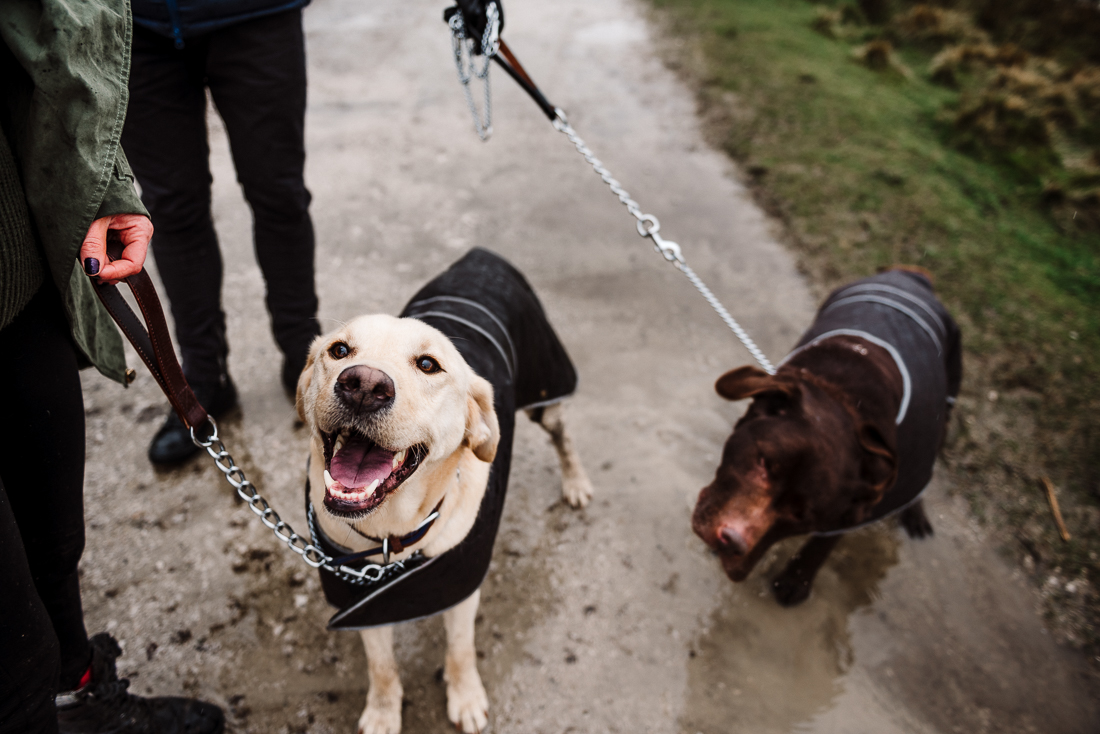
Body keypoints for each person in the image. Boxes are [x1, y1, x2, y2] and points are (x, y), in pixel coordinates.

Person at [0, 1, 224, 732]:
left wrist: (101, 188)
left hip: (13, 271)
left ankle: (81, 692)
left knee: (53, 534)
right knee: (10, 649)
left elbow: (48, 27)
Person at [123, 0, 322, 465]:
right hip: (135, 24)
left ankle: (305, 358)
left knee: (279, 194)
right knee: (171, 210)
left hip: (256, 14)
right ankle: (204, 378)